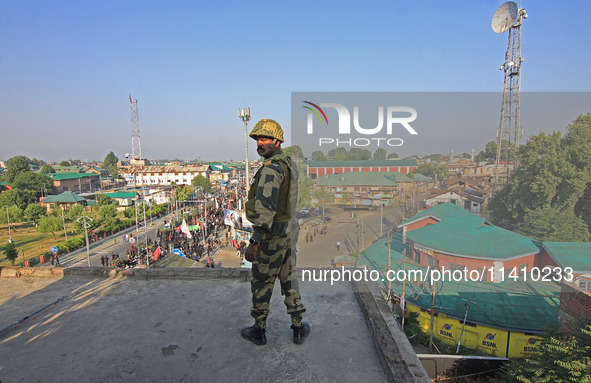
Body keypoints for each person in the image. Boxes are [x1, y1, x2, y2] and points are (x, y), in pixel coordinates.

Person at [241, 119, 309, 346]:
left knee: (262, 282)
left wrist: (254, 241)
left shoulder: (271, 169)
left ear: (277, 141)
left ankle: (259, 330)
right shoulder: (287, 163)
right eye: (258, 139)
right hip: (289, 231)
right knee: (289, 278)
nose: (260, 144)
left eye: (265, 139)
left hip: (272, 236)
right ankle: (298, 326)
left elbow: (265, 210)